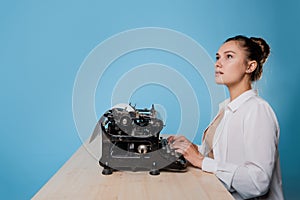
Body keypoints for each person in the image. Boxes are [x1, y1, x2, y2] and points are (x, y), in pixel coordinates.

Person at [168, 35, 284, 199]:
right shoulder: (226, 108)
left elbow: (258, 183)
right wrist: (189, 149)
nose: (218, 63)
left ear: (250, 66)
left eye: (229, 56)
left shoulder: (257, 110)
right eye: (217, 57)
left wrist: (200, 160)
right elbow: (218, 156)